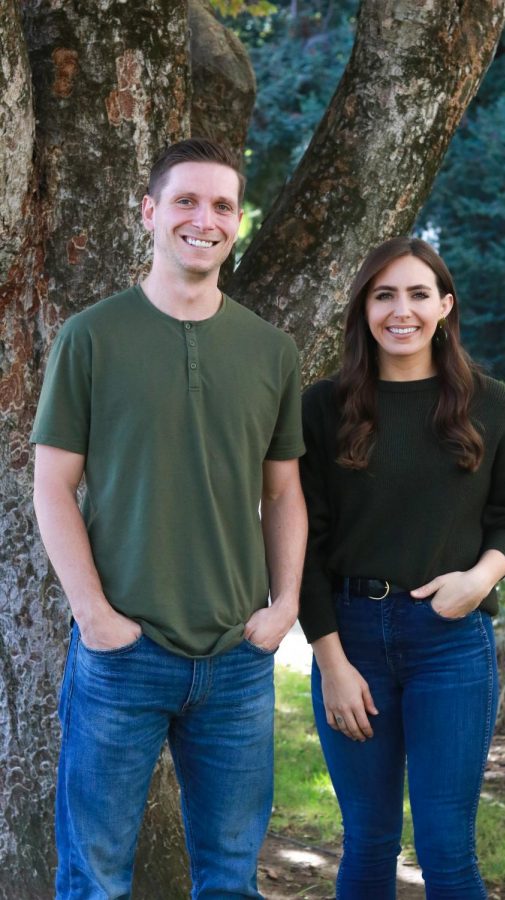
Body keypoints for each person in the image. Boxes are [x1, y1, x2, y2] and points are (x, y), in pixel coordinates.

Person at [31, 138, 307, 899]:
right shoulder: (91, 337)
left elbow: (283, 493)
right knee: (95, 880)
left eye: (222, 204)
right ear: (150, 213)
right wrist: (94, 616)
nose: (204, 218)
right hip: (124, 655)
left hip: (239, 661)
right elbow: (52, 486)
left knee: (229, 882)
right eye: (185, 199)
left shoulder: (271, 351)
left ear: (238, 221)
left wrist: (283, 608)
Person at [299, 237, 505, 899]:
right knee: (369, 843)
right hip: (350, 642)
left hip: (451, 645)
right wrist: (331, 663)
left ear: (445, 305)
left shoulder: (492, 406)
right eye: (384, 295)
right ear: (364, 309)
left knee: (446, 850)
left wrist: (479, 579)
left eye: (416, 294)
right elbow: (300, 544)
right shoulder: (323, 408)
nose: (400, 310)